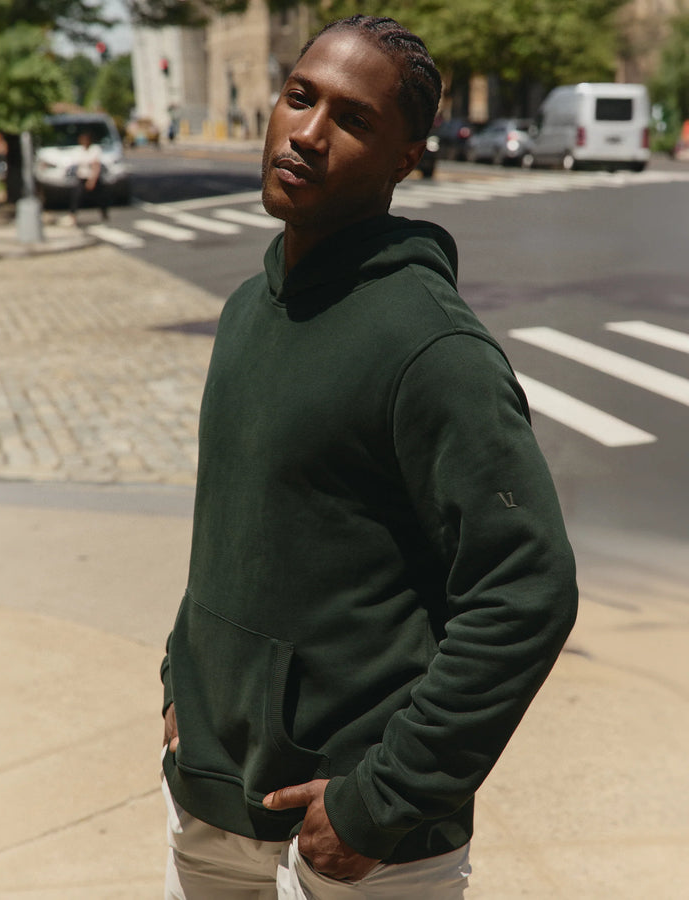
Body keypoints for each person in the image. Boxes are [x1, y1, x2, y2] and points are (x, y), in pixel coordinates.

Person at [160, 14, 578, 900]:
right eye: (299, 97)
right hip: (209, 811)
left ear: (405, 160)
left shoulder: (432, 350)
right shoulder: (246, 310)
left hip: (354, 849)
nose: (307, 132)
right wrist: (182, 681)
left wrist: (382, 799)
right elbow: (236, 532)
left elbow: (526, 592)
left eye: (351, 120)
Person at [68, 131, 108, 225]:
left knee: (100, 197)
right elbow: (76, 165)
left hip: (93, 177)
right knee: (76, 196)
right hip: (82, 177)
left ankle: (104, 212)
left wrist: (92, 180)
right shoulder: (78, 150)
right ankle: (72, 215)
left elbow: (96, 165)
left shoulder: (95, 149)